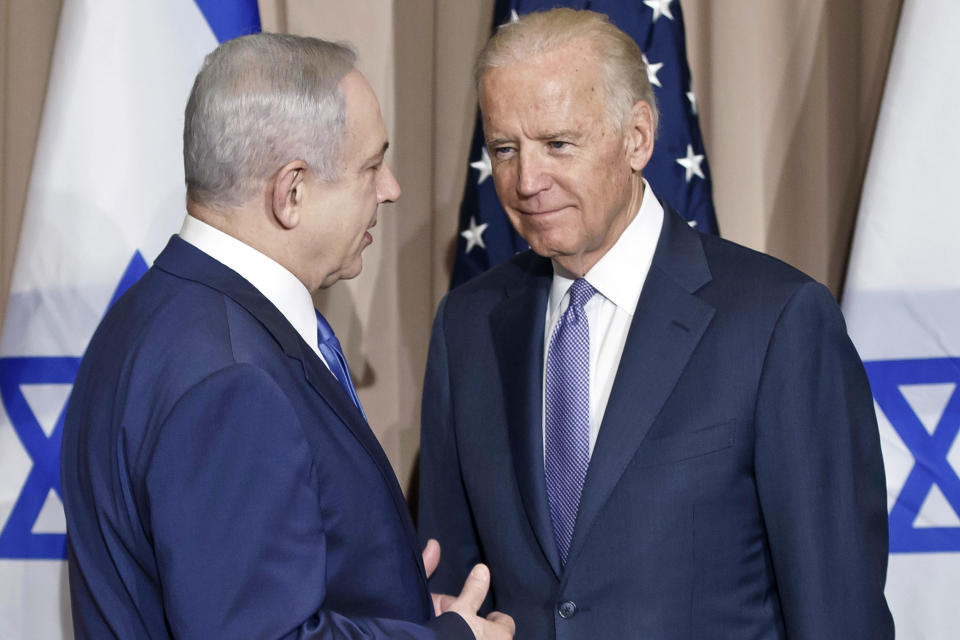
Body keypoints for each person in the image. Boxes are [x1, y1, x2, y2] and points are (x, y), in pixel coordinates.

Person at [418, 9, 893, 639]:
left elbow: (837, 614)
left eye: (558, 143)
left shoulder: (777, 321)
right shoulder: (467, 325)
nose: (527, 181)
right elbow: (453, 589)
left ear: (638, 137)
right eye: (505, 149)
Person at [61, 33, 513, 639]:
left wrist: (397, 604)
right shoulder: (232, 378)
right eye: (372, 166)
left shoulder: (151, 312)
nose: (391, 189)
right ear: (291, 192)